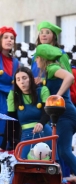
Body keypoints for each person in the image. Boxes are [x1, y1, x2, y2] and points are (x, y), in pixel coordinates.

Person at [35, 43, 76, 175]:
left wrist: (57, 96)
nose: (35, 60)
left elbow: (69, 77)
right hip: (63, 114)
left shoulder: (52, 67)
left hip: (65, 114)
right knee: (62, 150)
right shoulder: (49, 72)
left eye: (37, 58)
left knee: (64, 151)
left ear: (42, 58)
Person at [4, 66, 52, 159]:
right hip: (26, 135)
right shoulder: (13, 95)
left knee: (48, 165)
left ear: (30, 78)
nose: (21, 82)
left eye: (24, 78)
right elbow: (10, 120)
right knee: (23, 163)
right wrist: (4, 144)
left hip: (44, 132)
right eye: (18, 79)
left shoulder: (43, 90)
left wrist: (41, 123)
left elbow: (47, 112)